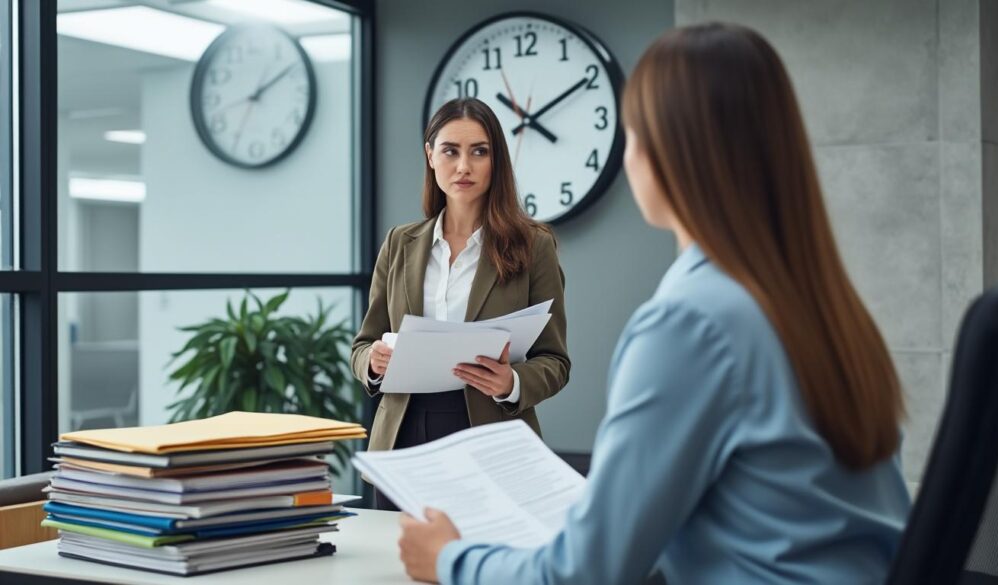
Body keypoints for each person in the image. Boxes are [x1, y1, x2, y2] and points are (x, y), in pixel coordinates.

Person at [396, 23, 911, 584]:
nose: (628, 153)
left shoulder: (691, 324)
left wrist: (449, 558)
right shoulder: (821, 305)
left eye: (633, 132)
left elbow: (585, 572)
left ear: (673, 152)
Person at [350, 98, 571, 511]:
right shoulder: (399, 243)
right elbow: (362, 345)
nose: (464, 166)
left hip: (490, 434)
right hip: (404, 437)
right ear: (430, 155)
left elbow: (555, 362)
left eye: (479, 152)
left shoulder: (534, 245)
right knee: (396, 553)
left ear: (496, 160)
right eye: (450, 151)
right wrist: (373, 363)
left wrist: (511, 383)